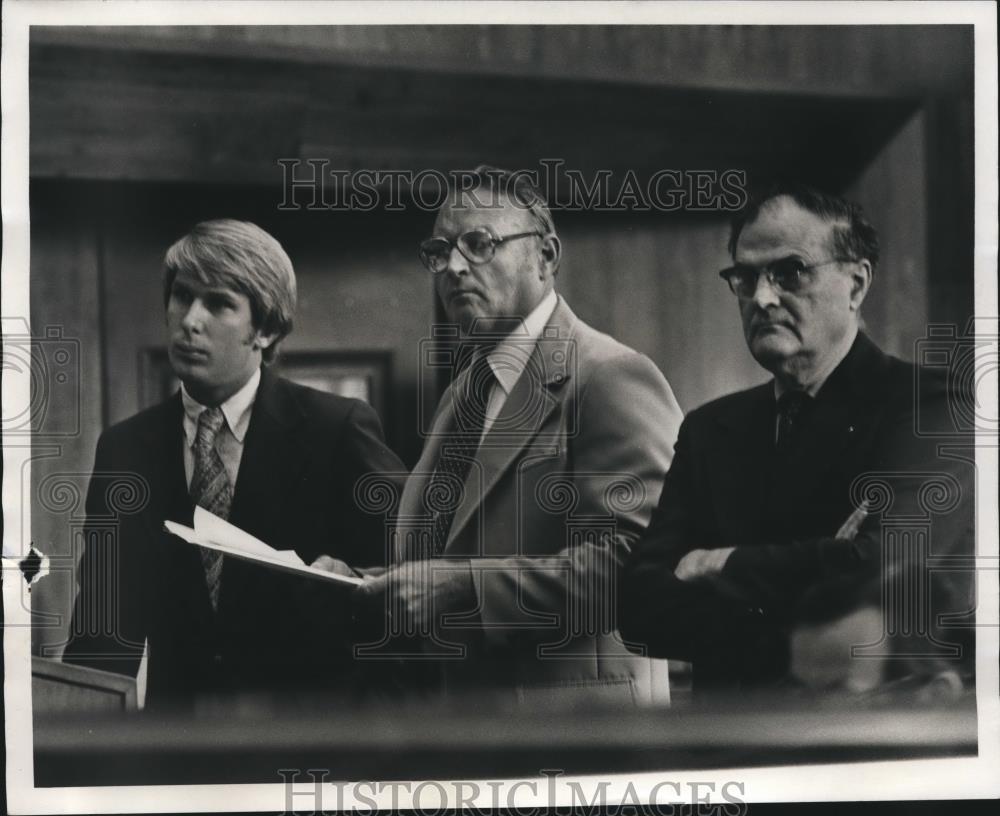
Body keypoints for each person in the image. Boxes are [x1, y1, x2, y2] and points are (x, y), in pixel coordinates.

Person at [322, 166, 683, 706]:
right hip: (468, 722)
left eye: (479, 243)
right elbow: (451, 553)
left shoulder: (608, 375)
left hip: (578, 732)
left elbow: (639, 565)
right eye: (440, 250)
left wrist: (464, 588)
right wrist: (365, 579)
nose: (454, 266)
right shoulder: (463, 394)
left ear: (547, 256)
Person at [619, 184, 975, 695]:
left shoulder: (933, 407)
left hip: (873, 741)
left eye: (790, 272)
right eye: (746, 277)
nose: (762, 297)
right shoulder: (710, 429)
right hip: (732, 749)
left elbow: (886, 566)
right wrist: (818, 576)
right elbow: (641, 608)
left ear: (856, 285)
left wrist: (723, 563)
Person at [64, 219, 404, 706]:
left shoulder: (338, 428)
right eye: (182, 296)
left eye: (219, 303)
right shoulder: (126, 448)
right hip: (178, 751)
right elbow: (101, 634)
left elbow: (409, 582)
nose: (190, 320)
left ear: (265, 329)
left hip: (312, 742)